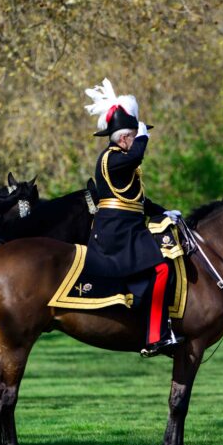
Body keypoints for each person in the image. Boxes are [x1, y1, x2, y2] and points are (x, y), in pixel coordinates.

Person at [84, 79, 181, 358]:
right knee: (161, 268)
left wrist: (163, 211)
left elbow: (137, 201)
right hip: (117, 233)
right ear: (125, 138)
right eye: (134, 137)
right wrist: (143, 136)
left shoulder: (123, 164)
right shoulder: (114, 157)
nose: (136, 142)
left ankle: (152, 321)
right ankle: (155, 336)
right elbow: (137, 155)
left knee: (161, 266)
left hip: (128, 229)